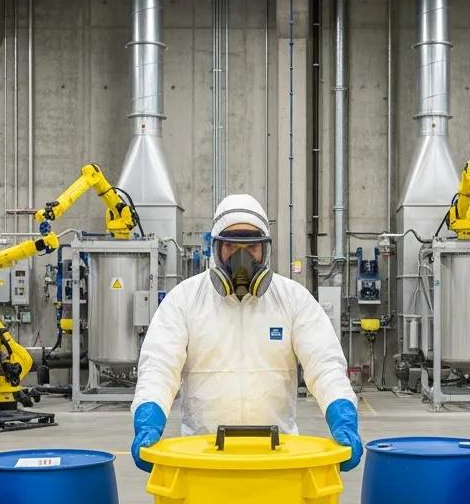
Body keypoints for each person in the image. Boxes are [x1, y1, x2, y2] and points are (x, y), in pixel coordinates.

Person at [130, 193, 362, 472]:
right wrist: (149, 421)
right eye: (230, 245)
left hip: (277, 460)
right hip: (202, 459)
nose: (242, 257)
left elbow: (324, 366)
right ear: (215, 249)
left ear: (265, 250)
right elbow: (159, 367)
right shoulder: (184, 300)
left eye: (251, 246)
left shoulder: (293, 299)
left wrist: (342, 418)